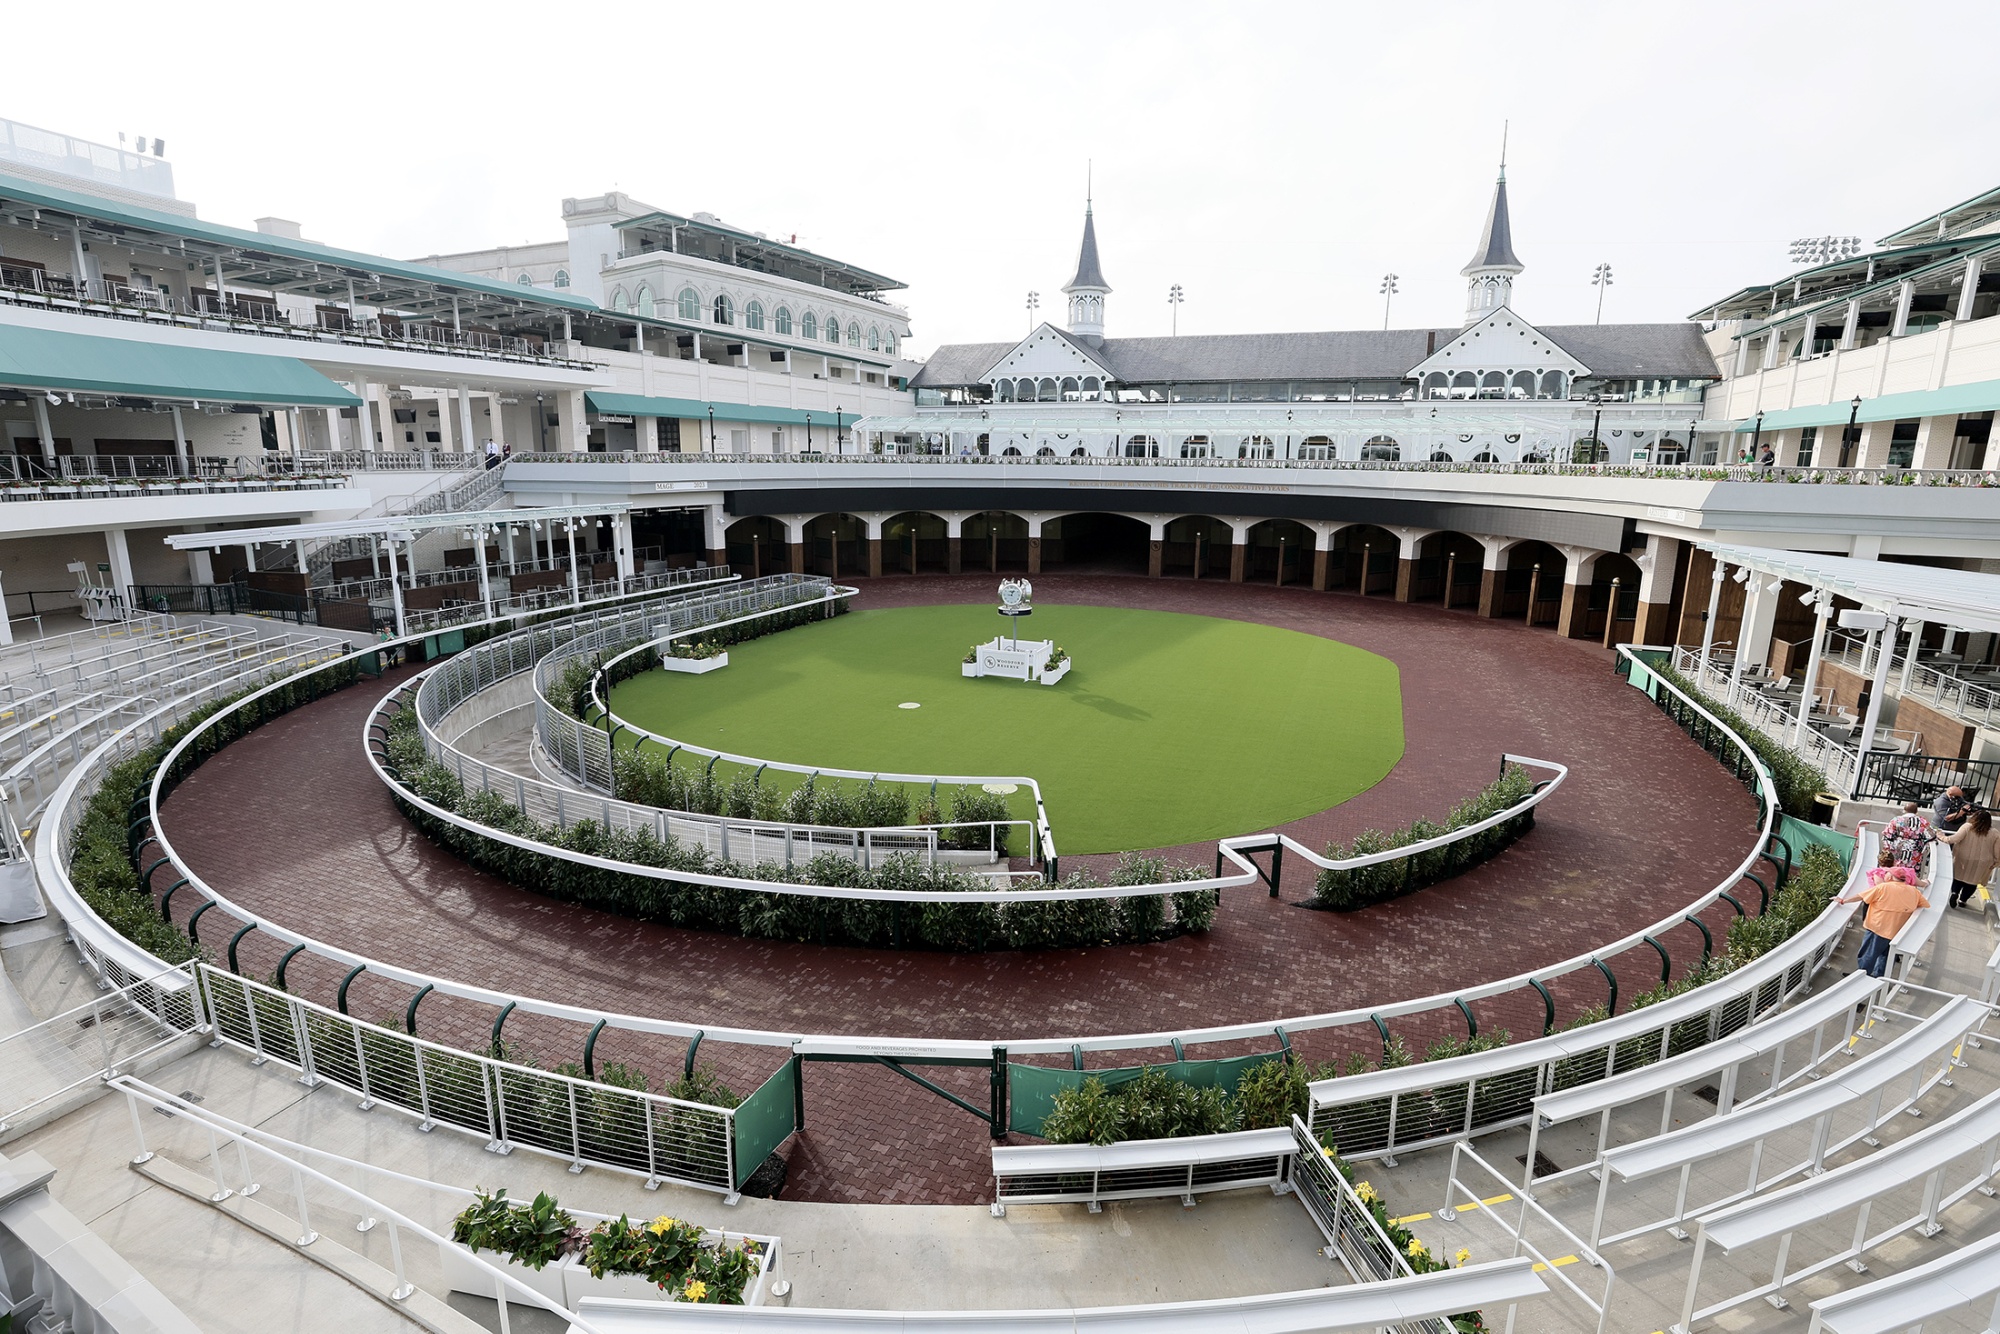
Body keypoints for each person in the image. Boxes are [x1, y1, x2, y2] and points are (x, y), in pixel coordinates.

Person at [1836, 850, 1928, 979]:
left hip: (1877, 928)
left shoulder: (1883, 887)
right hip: (1897, 931)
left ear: (1890, 877)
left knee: (1868, 954)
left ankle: (1860, 977)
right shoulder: (1914, 892)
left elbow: (1861, 896)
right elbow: (1924, 905)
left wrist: (1843, 900)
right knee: (1886, 958)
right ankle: (1877, 980)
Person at [1938, 807, 1998, 909]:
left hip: (1963, 858)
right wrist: (1996, 862)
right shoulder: (1995, 833)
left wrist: (1941, 836)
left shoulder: (1967, 827)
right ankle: (1963, 900)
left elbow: (1954, 839)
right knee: (1972, 882)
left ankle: (1954, 893)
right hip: (1982, 862)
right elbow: (1997, 851)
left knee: (1958, 877)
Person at [1881, 801, 1931, 872]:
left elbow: (1887, 835)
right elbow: (1931, 836)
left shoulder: (1896, 820)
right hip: (1915, 851)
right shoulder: (1922, 821)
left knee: (1896, 871)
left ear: (1904, 810)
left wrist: (1889, 849)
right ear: (1916, 811)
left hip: (1897, 849)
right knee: (1911, 873)